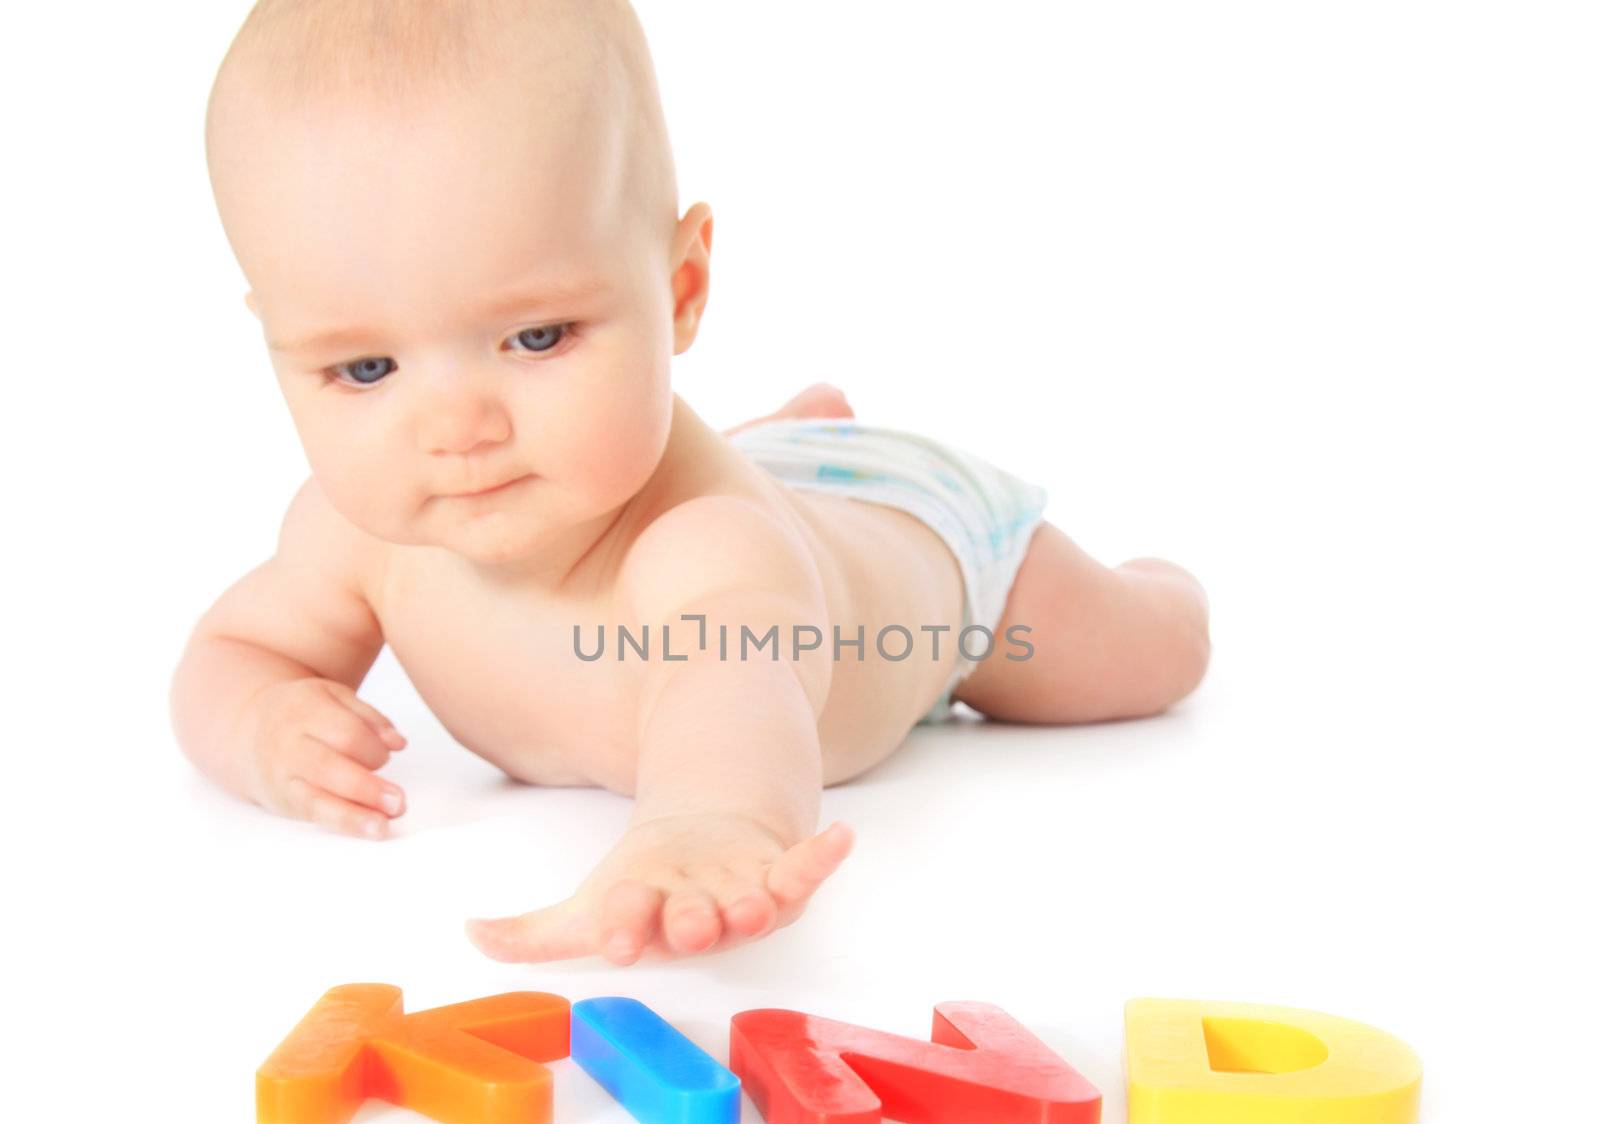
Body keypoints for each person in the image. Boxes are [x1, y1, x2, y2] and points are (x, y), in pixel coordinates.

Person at [171, 0, 1210, 966]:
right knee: (763, 482)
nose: (456, 428)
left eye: (535, 337)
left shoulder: (704, 546)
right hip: (779, 488)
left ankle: (1159, 584)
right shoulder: (357, 536)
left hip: (934, 547)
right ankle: (795, 432)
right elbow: (230, 654)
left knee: (1142, 659)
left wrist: (708, 827)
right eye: (365, 368)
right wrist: (261, 729)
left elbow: (733, 691)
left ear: (680, 289)